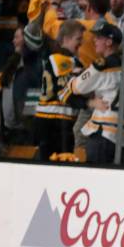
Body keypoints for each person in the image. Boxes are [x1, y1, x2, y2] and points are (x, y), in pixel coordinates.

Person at [66, 21, 124, 164]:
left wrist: (74, 75)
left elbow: (76, 87)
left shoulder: (102, 66)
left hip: (104, 134)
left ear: (109, 42)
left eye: (99, 38)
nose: (94, 40)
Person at [33, 19, 87, 161]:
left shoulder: (64, 59)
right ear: (66, 38)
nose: (81, 43)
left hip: (54, 123)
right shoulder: (62, 59)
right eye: (78, 39)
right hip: (55, 123)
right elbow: (64, 91)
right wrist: (88, 103)